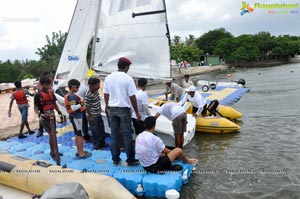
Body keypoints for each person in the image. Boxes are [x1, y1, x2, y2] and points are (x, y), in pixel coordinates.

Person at [103, 57, 140, 166]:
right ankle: (130, 159)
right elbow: (132, 97)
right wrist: (137, 112)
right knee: (127, 135)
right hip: (124, 110)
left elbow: (106, 94)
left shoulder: (108, 78)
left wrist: (107, 106)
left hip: (112, 109)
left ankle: (115, 158)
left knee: (114, 135)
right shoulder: (128, 79)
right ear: (127, 66)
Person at [34, 76, 63, 159]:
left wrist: (59, 112)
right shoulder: (38, 95)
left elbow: (54, 103)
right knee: (51, 134)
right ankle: (53, 152)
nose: (48, 86)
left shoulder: (51, 93)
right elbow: (35, 107)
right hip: (44, 117)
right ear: (42, 85)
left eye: (49, 85)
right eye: (46, 85)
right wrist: (39, 114)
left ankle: (55, 151)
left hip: (52, 115)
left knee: (53, 134)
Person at [64, 79, 91, 159]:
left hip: (75, 117)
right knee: (80, 135)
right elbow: (73, 108)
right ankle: (81, 153)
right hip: (77, 117)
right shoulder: (72, 96)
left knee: (77, 134)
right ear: (72, 87)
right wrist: (82, 104)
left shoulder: (70, 95)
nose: (78, 88)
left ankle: (79, 151)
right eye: (77, 87)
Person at [85, 77, 108, 150]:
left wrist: (100, 109)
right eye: (97, 85)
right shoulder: (88, 94)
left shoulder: (96, 91)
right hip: (93, 115)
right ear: (92, 85)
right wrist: (90, 115)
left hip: (98, 113)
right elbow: (87, 106)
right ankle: (96, 145)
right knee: (95, 131)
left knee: (101, 129)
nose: (99, 87)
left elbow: (97, 101)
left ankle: (102, 143)